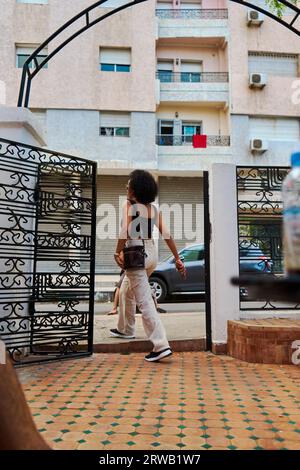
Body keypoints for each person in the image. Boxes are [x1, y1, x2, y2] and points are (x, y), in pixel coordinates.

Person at [110, 170, 186, 362]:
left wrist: (116, 251)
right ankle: (125, 329)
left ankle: (161, 345)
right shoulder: (152, 208)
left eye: (129, 184)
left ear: (135, 190)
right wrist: (177, 258)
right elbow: (166, 234)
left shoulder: (128, 204)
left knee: (143, 300)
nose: (126, 187)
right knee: (127, 289)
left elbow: (126, 230)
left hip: (135, 255)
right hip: (150, 253)